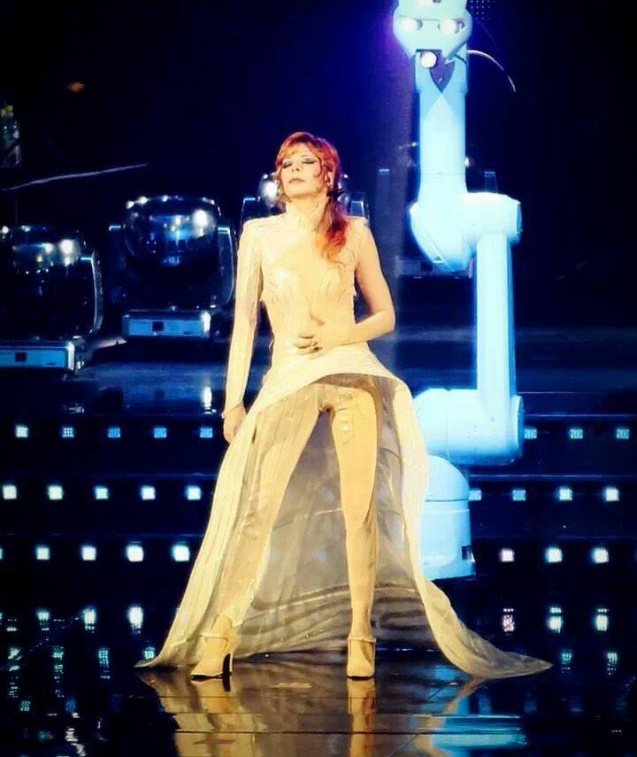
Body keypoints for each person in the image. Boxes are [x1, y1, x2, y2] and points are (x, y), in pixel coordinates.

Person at [134, 131, 551, 681]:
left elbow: (386, 315)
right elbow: (245, 324)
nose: (293, 170)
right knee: (257, 509)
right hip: (289, 379)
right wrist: (233, 402)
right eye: (286, 163)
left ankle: (361, 633)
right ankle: (222, 631)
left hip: (351, 372)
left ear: (328, 175)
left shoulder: (353, 231)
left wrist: (340, 334)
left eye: (305, 162)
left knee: (360, 512)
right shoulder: (258, 234)